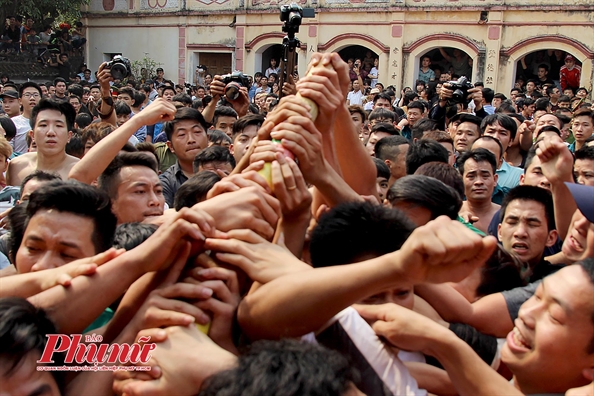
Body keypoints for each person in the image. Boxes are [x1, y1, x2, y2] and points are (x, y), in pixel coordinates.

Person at [6, 99, 79, 186]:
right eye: (43, 125)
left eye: (59, 126)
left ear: (69, 136)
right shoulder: (16, 166)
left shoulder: (79, 171)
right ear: (32, 135)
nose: (51, 132)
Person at [159, 107, 209, 207]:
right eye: (182, 134)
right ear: (171, 146)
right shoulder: (165, 183)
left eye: (197, 132)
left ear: (208, 138)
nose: (191, 140)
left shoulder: (225, 170)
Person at [457, 148, 500, 233]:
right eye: (471, 176)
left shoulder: (505, 215)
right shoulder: (452, 214)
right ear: (461, 180)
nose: (479, 182)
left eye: (485, 176)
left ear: (495, 180)